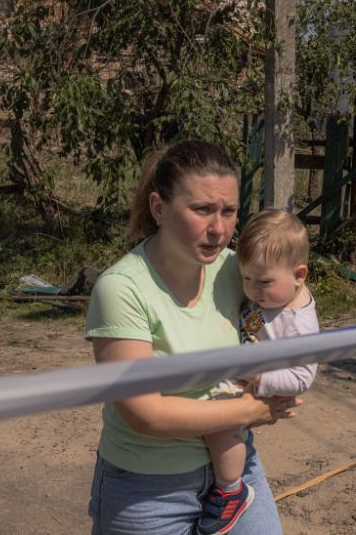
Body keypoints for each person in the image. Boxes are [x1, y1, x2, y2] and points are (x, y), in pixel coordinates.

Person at [85, 140, 300, 535]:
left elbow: (298, 301)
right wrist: (251, 411)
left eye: (229, 211)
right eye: (202, 210)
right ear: (158, 208)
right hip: (148, 488)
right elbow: (144, 414)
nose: (218, 229)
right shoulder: (122, 289)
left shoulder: (237, 270)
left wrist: (294, 371)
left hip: (235, 470)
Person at [199, 210, 320, 535]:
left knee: (220, 425)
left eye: (264, 282)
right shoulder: (271, 298)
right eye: (246, 279)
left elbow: (302, 378)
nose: (252, 290)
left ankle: (230, 489)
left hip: (257, 382)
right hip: (245, 370)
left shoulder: (299, 324)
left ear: (299, 275)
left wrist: (257, 377)